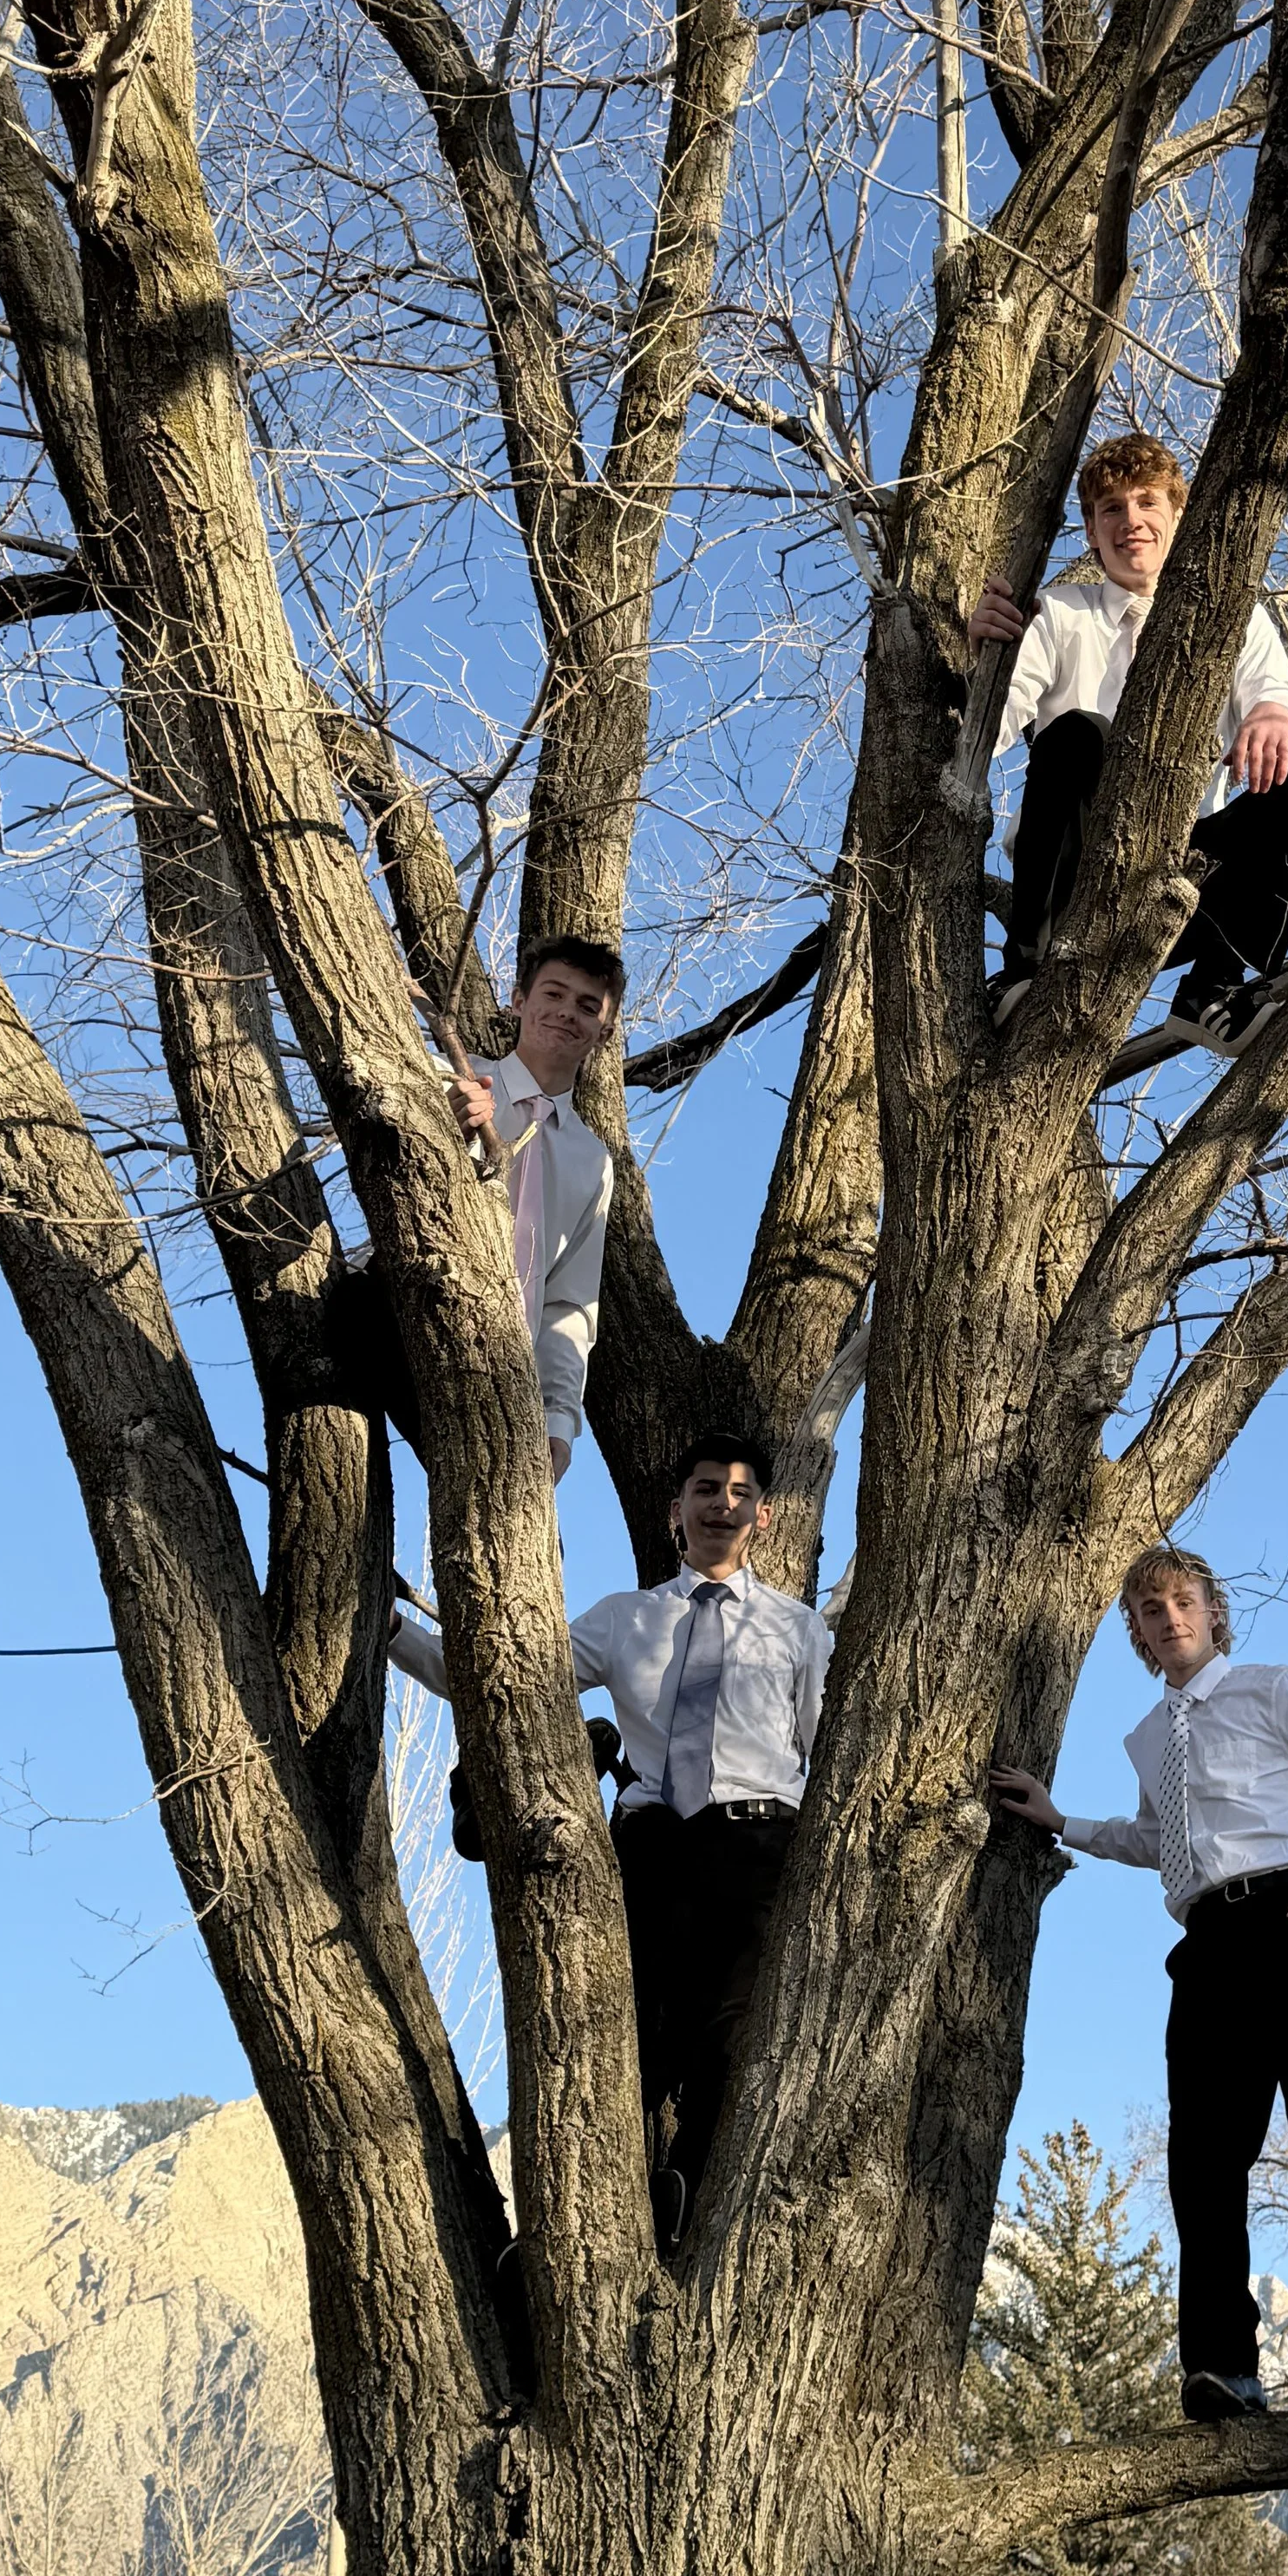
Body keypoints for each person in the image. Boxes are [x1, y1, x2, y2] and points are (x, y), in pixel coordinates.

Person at [389, 1432, 833, 2242]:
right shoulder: (627, 1619)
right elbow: (501, 1682)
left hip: (757, 1848)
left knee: (736, 2044)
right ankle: (576, 2236)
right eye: (704, 1488)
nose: (721, 1504)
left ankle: (690, 2200)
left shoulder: (799, 1631)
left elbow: (826, 1751)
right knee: (622, 2039)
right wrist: (390, 1632)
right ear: (676, 1511)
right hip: (653, 1846)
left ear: (764, 1515)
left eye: (739, 1492)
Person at [991, 1545, 1288, 2422]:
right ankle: (1220, 2369)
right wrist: (1063, 1821)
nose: (1167, 1615)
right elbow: (1156, 1842)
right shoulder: (1146, 1739)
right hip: (1208, 1944)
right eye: (1148, 1607)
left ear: (1212, 1610)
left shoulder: (1275, 1688)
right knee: (1204, 2160)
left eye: (1182, 1599)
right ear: (1133, 1631)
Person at [969, 433, 1288, 1052]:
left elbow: (1280, 705)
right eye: (1111, 509)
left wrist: (1273, 711)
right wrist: (984, 664)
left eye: (1147, 502)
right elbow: (986, 734)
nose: (1131, 521)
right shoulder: (1057, 613)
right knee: (1078, 732)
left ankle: (1212, 985)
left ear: (1178, 516)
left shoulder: (1235, 618)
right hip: (1072, 876)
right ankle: (1024, 970)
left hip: (1177, 880)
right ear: (1092, 532)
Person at [338, 934, 624, 1481]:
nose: (567, 1013)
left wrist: (558, 1420)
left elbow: (569, 1302)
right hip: (392, 1309)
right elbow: (372, 1157)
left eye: (588, 1006)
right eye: (554, 994)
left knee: (521, 1523)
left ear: (604, 1032)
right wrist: (440, 1129)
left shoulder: (593, 1162)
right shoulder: (449, 1079)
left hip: (497, 1365)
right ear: (518, 1000)